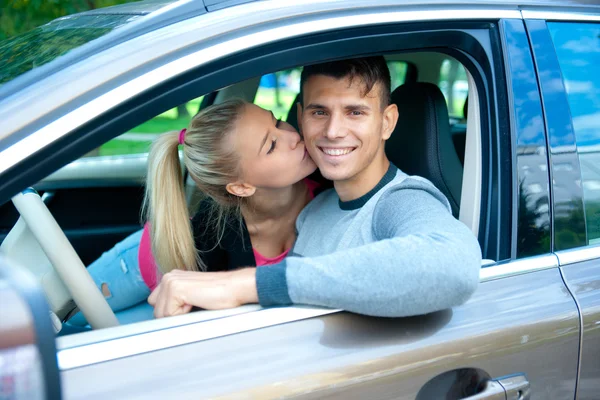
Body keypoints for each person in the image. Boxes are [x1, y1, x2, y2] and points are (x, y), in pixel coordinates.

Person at [148, 56, 482, 318]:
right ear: (300, 117)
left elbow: (454, 266)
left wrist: (242, 284)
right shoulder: (315, 210)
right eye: (319, 112)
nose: (334, 131)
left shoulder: (400, 200)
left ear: (387, 122)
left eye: (355, 112)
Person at [68, 98, 321, 327]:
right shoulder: (210, 242)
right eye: (272, 145)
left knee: (105, 338)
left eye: (277, 121)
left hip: (180, 299)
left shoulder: (331, 196)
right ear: (242, 187)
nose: (293, 135)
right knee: (64, 320)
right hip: (148, 259)